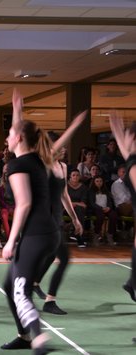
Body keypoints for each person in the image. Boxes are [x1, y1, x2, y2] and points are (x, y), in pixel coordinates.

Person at [0, 91, 58, 353]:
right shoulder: (37, 160)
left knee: (20, 290)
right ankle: (24, 336)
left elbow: (23, 203)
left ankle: (38, 336)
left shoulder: (17, 165)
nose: (6, 138)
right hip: (49, 234)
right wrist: (17, 110)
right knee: (9, 285)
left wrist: (10, 241)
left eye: (10, 134)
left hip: (35, 234)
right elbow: (23, 134)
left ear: (19, 138)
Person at [29, 111, 86, 316]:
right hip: (44, 218)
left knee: (52, 254)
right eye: (60, 146)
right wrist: (74, 126)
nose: (63, 150)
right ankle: (48, 299)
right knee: (62, 257)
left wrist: (74, 217)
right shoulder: (43, 164)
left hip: (55, 217)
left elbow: (64, 195)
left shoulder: (62, 166)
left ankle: (34, 284)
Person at [109, 114, 136, 343]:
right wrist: (117, 131)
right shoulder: (132, 160)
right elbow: (127, 153)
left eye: (127, 135)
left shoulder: (135, 166)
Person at [88, 175, 118, 246]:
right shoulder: (90, 191)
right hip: (96, 209)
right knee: (100, 217)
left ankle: (110, 234)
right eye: (97, 181)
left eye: (100, 181)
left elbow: (110, 202)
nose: (99, 183)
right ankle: (96, 235)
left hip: (106, 208)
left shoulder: (106, 191)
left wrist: (109, 207)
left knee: (113, 215)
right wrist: (101, 208)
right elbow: (92, 203)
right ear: (94, 182)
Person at [67, 169, 89, 247]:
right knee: (77, 210)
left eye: (77, 175)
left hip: (78, 208)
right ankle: (79, 237)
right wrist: (70, 204)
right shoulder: (65, 185)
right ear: (70, 176)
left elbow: (84, 204)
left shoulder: (83, 187)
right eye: (73, 175)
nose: (75, 177)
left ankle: (76, 234)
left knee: (79, 210)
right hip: (65, 208)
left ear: (80, 176)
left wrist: (74, 203)